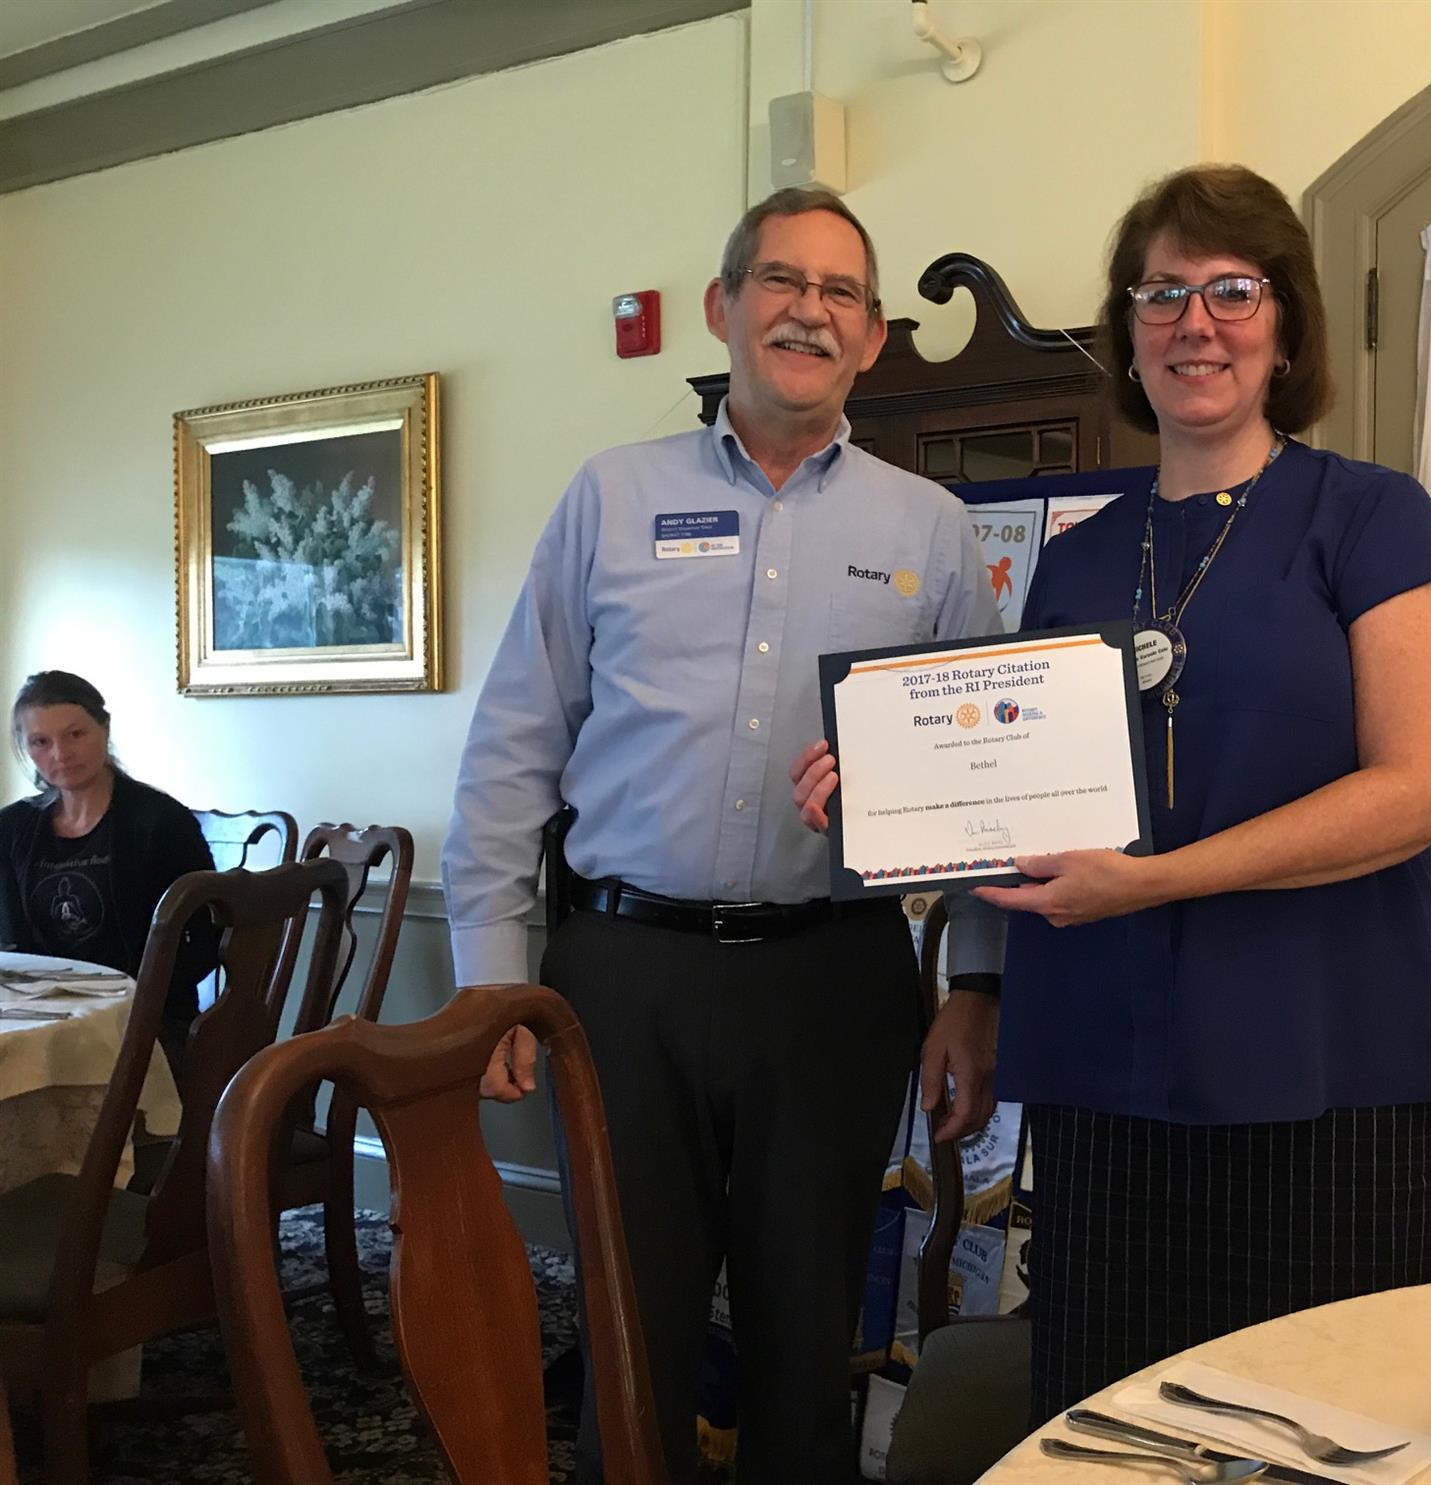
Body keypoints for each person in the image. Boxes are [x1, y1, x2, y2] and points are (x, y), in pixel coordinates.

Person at [797, 163, 1431, 1423]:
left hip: (1330, 1064)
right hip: (1105, 1076)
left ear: (1286, 329)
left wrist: (1157, 882)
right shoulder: (1077, 562)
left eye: (1232, 290)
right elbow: (1010, 803)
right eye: (1161, 294)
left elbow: (1426, 786)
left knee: (1333, 1429)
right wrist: (886, 803)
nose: (1194, 322)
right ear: (1127, 331)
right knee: (1117, 1425)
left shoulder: (1371, 518)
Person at [443, 187, 1005, 1484]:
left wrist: (977, 985)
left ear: (872, 337)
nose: (810, 310)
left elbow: (983, 789)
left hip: (832, 982)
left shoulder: (929, 530)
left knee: (808, 1346)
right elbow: (513, 748)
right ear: (724, 305)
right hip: (622, 980)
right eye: (780, 280)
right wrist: (489, 976)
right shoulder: (610, 495)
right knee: (627, 1341)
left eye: (841, 292)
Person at [0, 670, 217, 1069]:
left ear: (104, 728)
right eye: (41, 742)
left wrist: (140, 996)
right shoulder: (12, 828)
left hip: (145, 1022)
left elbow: (207, 938)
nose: (60, 754)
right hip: (42, 1017)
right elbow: (11, 940)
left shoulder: (161, 821)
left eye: (75, 734)